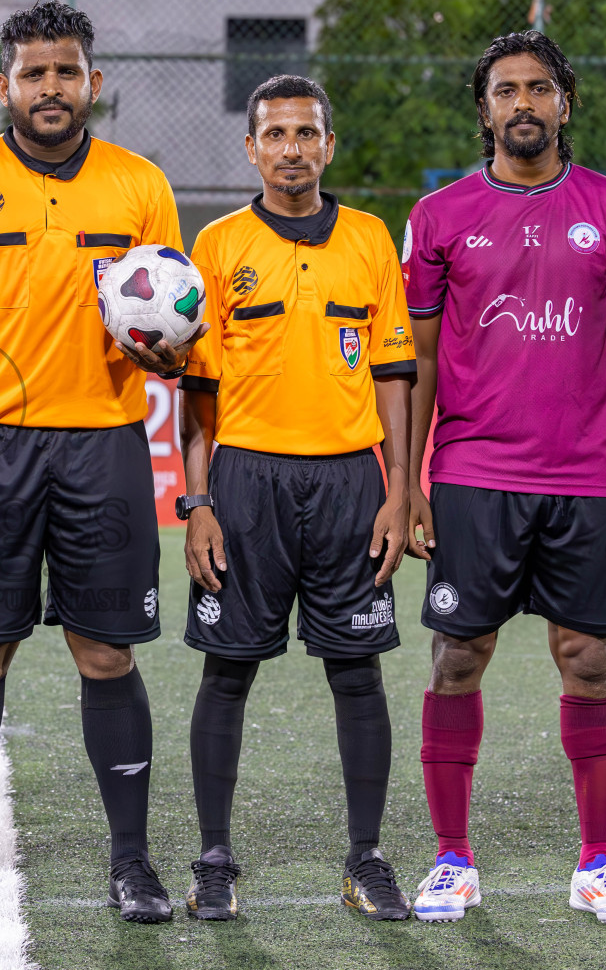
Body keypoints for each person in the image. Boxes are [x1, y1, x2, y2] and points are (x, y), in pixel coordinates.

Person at [0, 0, 185, 924]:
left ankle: (131, 863)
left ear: (92, 84)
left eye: (67, 71)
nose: (50, 87)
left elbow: (168, 309)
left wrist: (167, 348)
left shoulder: (140, 183)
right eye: (33, 73)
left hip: (104, 443)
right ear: (3, 86)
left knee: (107, 653)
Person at [402, 31, 606, 926]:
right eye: (506, 90)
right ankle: (452, 860)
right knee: (457, 660)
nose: (524, 103)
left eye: (540, 88)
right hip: (474, 474)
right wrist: (409, 480)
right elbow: (422, 359)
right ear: (484, 110)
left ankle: (597, 863)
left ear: (566, 103)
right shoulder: (440, 216)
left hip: (585, 478)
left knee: (587, 660)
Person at [177, 74, 415, 922]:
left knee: (358, 671)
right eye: (274, 134)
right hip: (245, 482)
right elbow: (195, 396)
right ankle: (213, 861)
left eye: (306, 134)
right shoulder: (216, 245)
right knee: (228, 668)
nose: (291, 149)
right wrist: (196, 503)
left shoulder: (370, 239)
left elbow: (394, 376)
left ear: (328, 146)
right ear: (251, 148)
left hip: (351, 480)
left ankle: (366, 857)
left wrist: (399, 491)